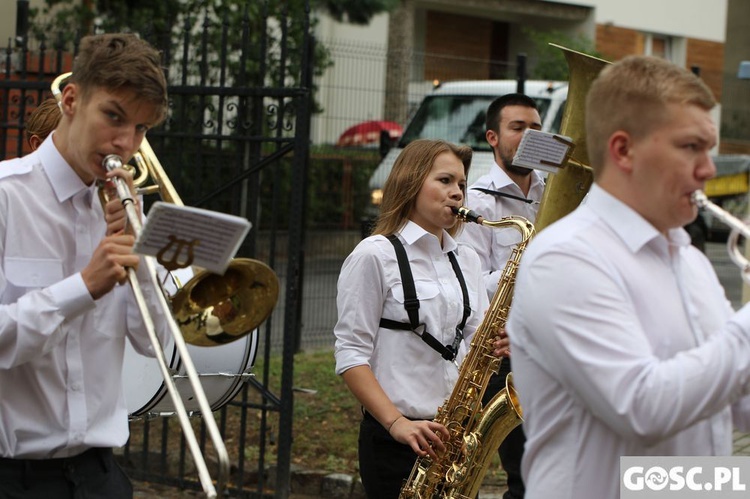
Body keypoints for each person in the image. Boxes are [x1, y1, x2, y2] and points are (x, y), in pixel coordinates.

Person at [506, 55, 750, 499]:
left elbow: (730, 402)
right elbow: (643, 408)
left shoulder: (689, 260)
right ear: (623, 150)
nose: (709, 170)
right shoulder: (565, 258)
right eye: (691, 147)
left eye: (709, 149)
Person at [0, 33, 169, 498]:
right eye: (113, 116)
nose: (125, 142)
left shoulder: (123, 209)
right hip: (13, 475)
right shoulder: (6, 196)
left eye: (140, 128)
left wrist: (142, 260)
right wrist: (84, 287)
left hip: (101, 477)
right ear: (71, 99)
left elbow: (154, 341)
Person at [334, 139, 508, 498]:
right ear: (411, 183)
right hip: (396, 438)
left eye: (460, 184)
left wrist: (499, 342)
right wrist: (397, 423)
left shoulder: (467, 259)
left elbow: (475, 339)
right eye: (444, 181)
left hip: (453, 438)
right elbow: (351, 354)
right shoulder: (374, 256)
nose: (457, 193)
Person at [457, 93, 543, 499]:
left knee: (536, 476)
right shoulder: (476, 201)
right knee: (466, 467)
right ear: (493, 137)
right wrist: (531, 268)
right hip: (497, 352)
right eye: (518, 127)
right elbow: (471, 282)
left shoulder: (556, 192)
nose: (529, 136)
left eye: (537, 128)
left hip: (546, 348)